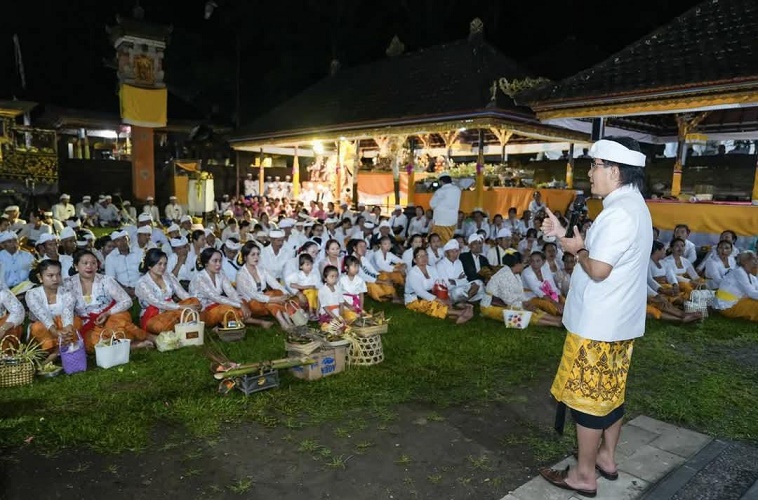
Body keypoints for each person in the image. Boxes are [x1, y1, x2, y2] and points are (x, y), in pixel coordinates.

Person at [539, 137, 652, 497]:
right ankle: (606, 458)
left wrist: (578, 248)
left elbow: (599, 267)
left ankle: (584, 475)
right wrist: (563, 237)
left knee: (586, 400)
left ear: (615, 172)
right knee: (611, 393)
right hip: (617, 322)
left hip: (599, 325)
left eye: (595, 166)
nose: (590, 173)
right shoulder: (632, 206)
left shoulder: (619, 212)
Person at [66, 250, 151, 352]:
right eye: (85, 263)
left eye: (93, 263)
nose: (90, 266)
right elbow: (67, 309)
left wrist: (107, 313)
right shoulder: (68, 284)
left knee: (117, 325)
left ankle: (143, 339)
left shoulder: (106, 280)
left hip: (110, 317)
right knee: (93, 342)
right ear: (76, 266)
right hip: (88, 324)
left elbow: (127, 301)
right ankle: (132, 346)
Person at [189, 248, 273, 329]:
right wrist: (239, 305)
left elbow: (231, 292)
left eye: (220, 261)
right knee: (228, 308)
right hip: (202, 312)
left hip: (217, 305)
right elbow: (215, 297)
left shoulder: (220, 273)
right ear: (206, 263)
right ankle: (259, 322)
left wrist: (241, 304)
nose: (218, 264)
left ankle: (223, 325)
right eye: (215, 261)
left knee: (241, 301)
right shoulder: (199, 278)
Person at [135, 248, 202, 337]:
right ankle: (184, 324)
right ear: (150, 266)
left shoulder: (169, 276)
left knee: (194, 301)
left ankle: (180, 325)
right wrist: (182, 307)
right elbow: (157, 303)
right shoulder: (142, 283)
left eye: (165, 264)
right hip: (154, 316)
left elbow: (182, 294)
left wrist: (195, 302)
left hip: (173, 312)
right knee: (161, 326)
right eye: (159, 264)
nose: (163, 267)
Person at [25, 259, 82, 363]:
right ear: (40, 277)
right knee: (38, 327)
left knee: (76, 321)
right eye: (50, 275)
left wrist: (67, 330)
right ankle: (58, 350)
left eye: (58, 274)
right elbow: (42, 315)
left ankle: (55, 354)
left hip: (64, 330)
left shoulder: (67, 292)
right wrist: (54, 331)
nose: (55, 279)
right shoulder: (32, 294)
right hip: (46, 329)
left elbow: (67, 313)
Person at [235, 242, 296, 331]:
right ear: (245, 257)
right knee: (272, 296)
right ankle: (284, 323)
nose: (256, 257)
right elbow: (253, 295)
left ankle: (287, 322)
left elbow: (274, 283)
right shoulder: (241, 274)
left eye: (258, 254)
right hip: (250, 304)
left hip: (264, 300)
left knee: (277, 292)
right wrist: (275, 299)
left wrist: (285, 294)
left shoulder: (261, 269)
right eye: (253, 255)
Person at [404, 247, 473, 323]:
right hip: (414, 299)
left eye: (426, 255)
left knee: (445, 301)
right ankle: (461, 313)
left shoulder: (431, 269)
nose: (424, 258)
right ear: (414, 260)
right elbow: (420, 292)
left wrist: (445, 297)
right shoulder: (413, 273)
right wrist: (437, 299)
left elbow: (439, 283)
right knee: (432, 305)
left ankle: (454, 315)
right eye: (420, 256)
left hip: (432, 294)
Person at [713, 251, 758, 321]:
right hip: (728, 306)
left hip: (739, 301)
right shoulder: (739, 272)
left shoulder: (752, 277)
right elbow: (751, 292)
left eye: (756, 260)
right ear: (744, 262)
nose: (756, 262)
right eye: (754, 260)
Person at [428, 172, 461, 244]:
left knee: (440, 241)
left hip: (441, 221)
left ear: (441, 181)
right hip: (452, 220)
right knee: (449, 239)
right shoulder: (457, 190)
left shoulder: (440, 191)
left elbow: (432, 204)